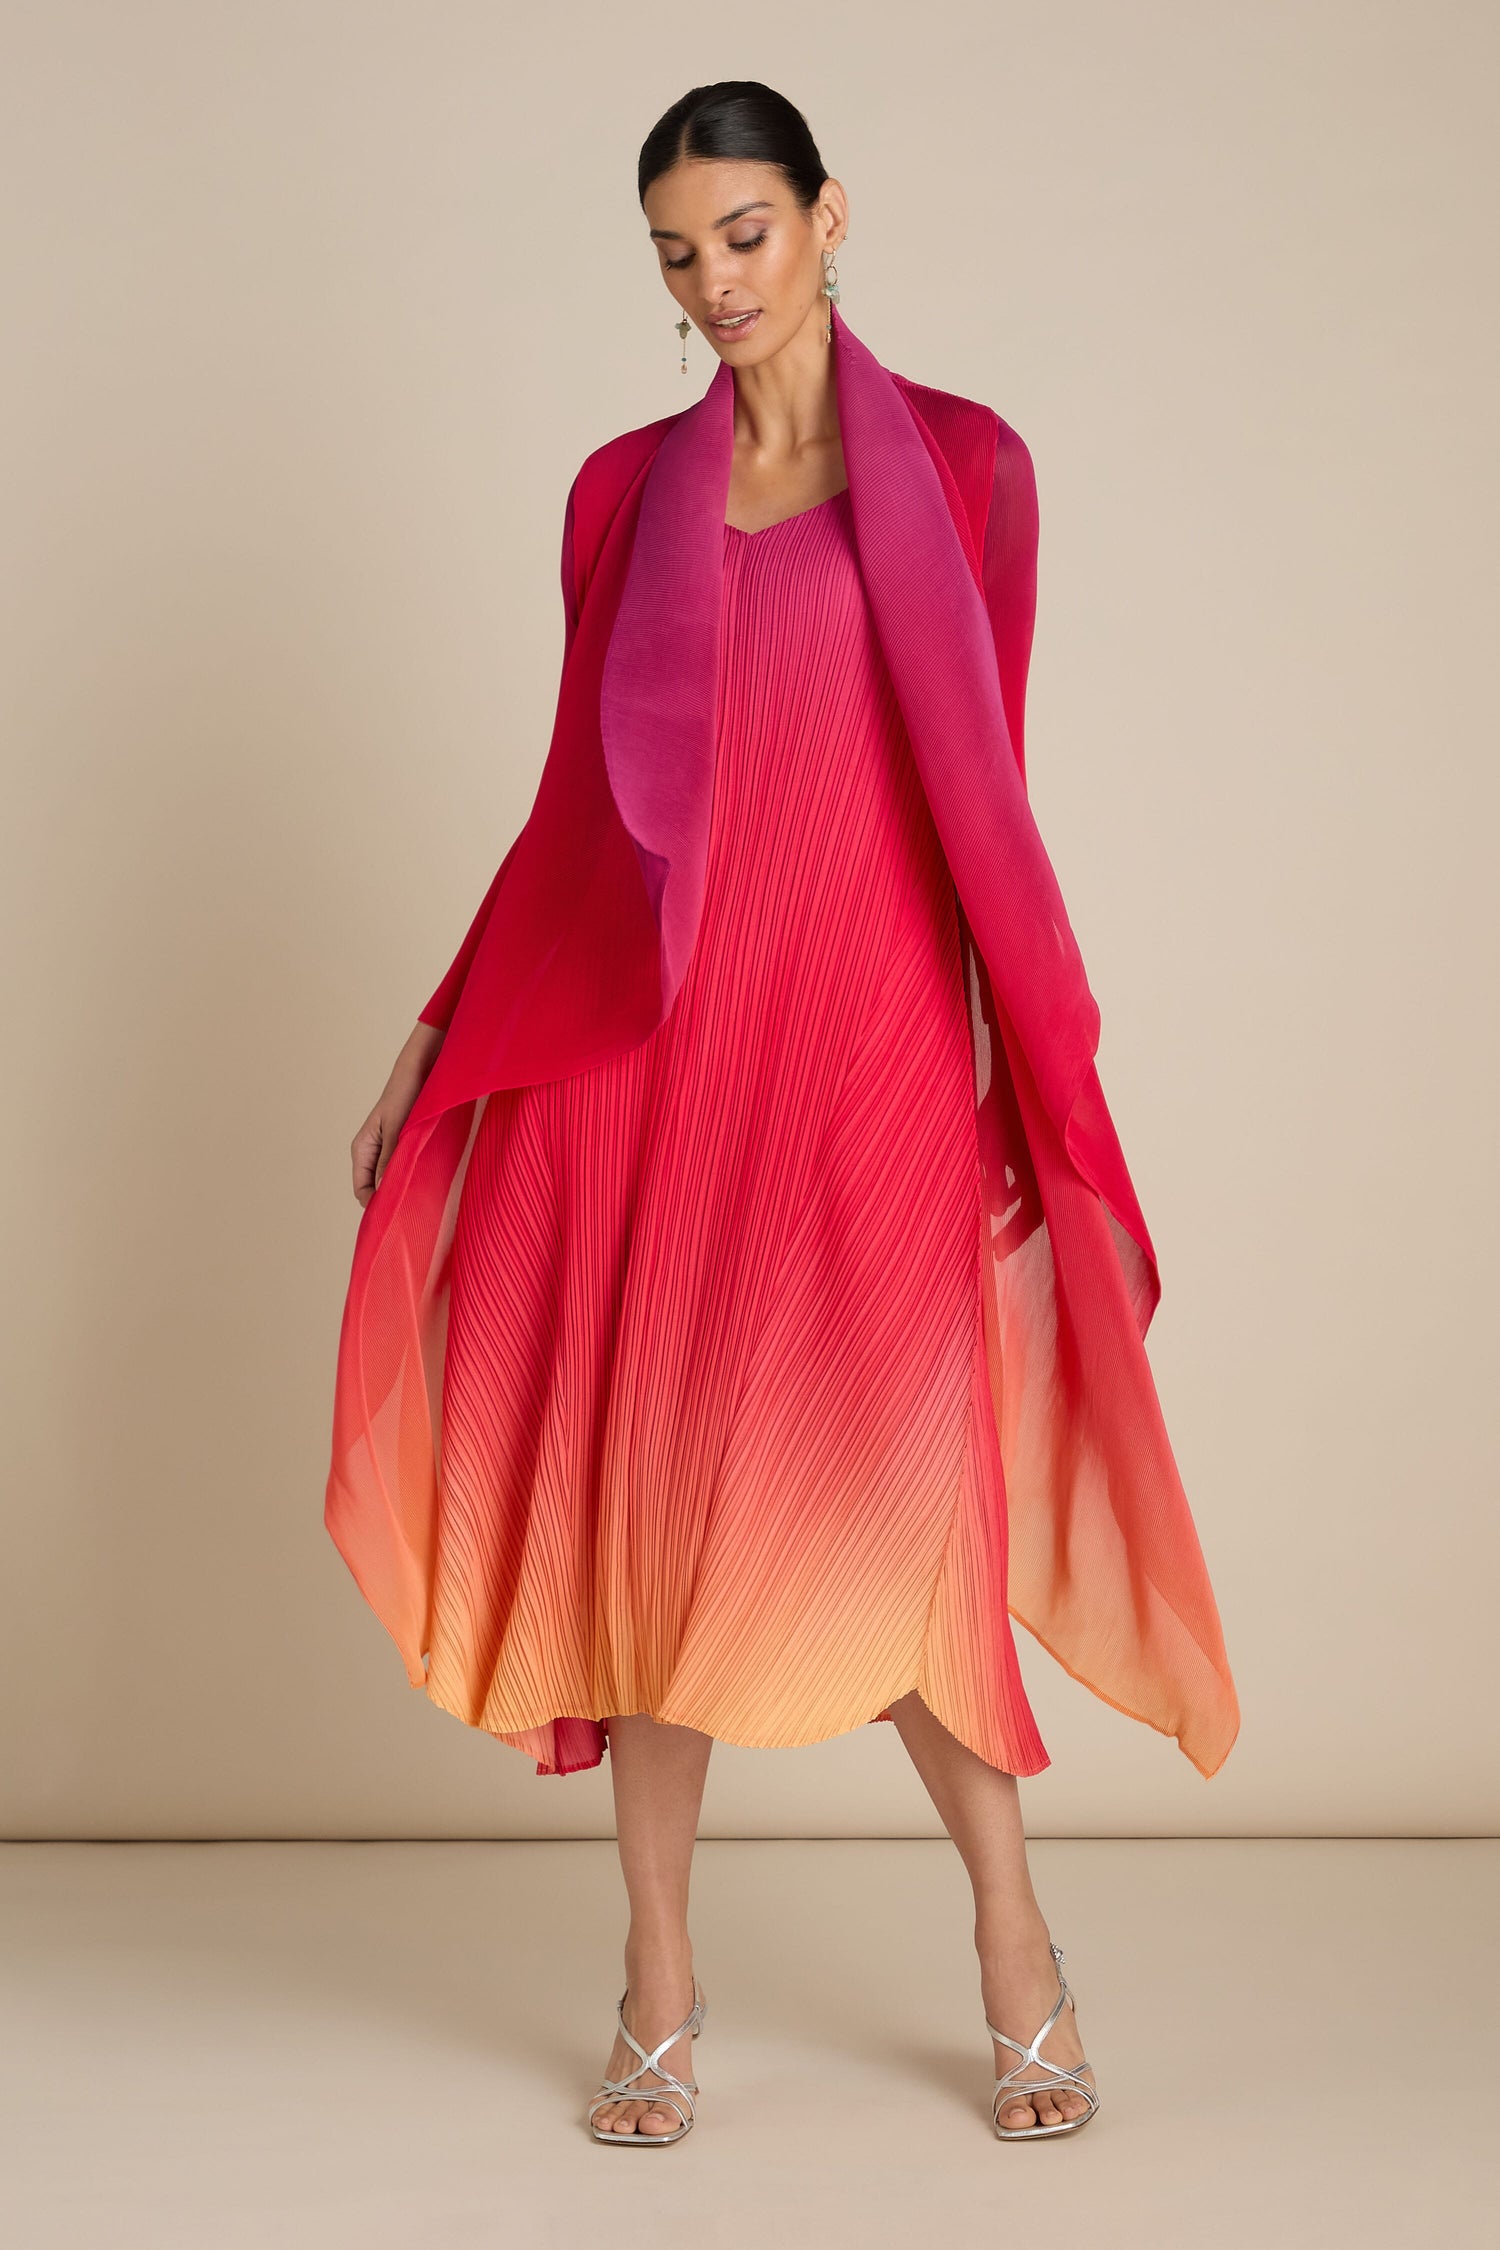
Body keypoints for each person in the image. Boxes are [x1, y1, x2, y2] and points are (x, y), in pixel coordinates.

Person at [331, 79, 1238, 2148]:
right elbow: (581, 812)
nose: (711, 283)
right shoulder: (614, 498)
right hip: (663, 1054)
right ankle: (658, 1980)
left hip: (876, 1053)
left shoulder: (976, 470)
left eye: (743, 234)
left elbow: (979, 792)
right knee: (658, 1513)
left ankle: (1016, 1952)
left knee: (908, 1518)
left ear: (831, 217)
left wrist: (1028, 1066)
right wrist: (429, 1041)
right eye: (674, 253)